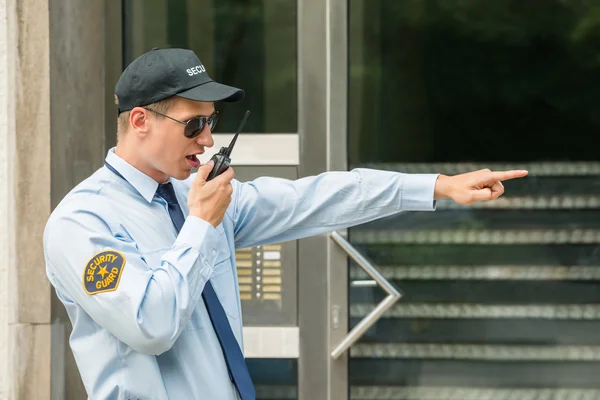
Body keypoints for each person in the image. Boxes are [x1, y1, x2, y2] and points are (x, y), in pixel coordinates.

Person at [43, 47, 528, 400]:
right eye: (195, 124)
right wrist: (200, 227)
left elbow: (313, 198)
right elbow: (150, 325)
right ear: (142, 120)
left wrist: (436, 186)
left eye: (212, 122)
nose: (208, 140)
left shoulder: (198, 198)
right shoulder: (82, 222)